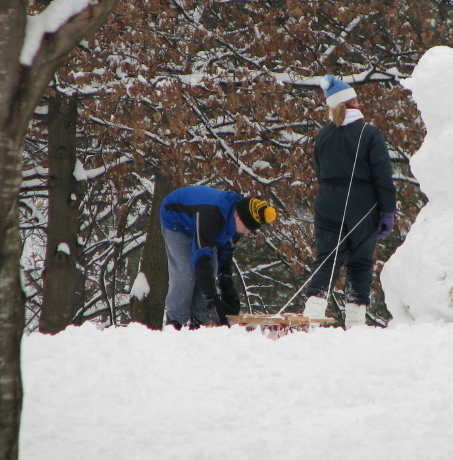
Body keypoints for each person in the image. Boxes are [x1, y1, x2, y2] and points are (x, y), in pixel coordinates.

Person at [302, 74, 397, 327]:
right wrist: (387, 211)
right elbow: (383, 176)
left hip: (327, 202)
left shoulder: (323, 135)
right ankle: (355, 322)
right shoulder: (369, 133)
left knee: (327, 258)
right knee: (360, 263)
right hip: (362, 204)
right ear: (354, 101)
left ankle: (312, 315)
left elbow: (320, 172)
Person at [160, 186, 276, 329]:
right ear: (237, 215)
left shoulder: (237, 222)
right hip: (176, 219)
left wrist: (226, 283)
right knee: (187, 271)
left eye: (250, 229)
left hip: (203, 226)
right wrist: (212, 299)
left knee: (212, 268)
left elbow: (225, 250)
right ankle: (176, 321)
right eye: (246, 227)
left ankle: (200, 319)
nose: (246, 232)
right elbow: (201, 257)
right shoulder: (212, 215)